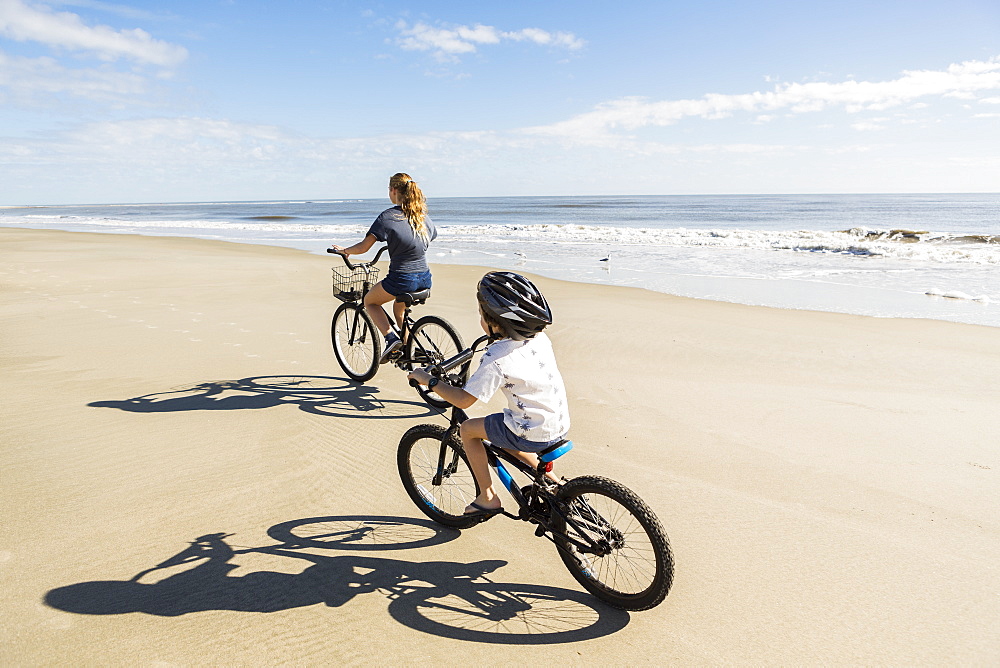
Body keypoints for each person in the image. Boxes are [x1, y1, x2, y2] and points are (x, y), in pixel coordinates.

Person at [407, 272, 570, 519]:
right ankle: (556, 486)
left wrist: (429, 380)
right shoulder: (539, 338)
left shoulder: (497, 359)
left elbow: (463, 400)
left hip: (531, 432)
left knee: (470, 430)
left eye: (482, 316)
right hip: (557, 422)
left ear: (493, 324)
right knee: (506, 430)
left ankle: (488, 497)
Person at [330, 173, 436, 362]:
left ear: (393, 190)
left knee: (370, 301)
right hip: (425, 278)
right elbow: (425, 239)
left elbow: (363, 247)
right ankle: (407, 348)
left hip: (403, 279)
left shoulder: (388, 217)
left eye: (389, 189)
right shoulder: (422, 216)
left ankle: (391, 338)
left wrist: (345, 251)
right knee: (398, 310)